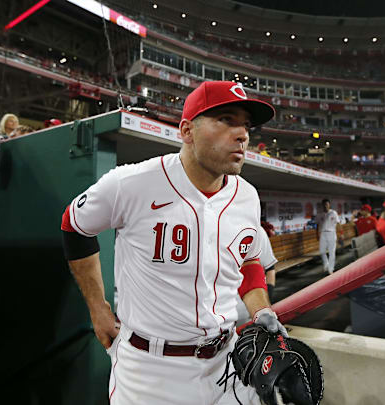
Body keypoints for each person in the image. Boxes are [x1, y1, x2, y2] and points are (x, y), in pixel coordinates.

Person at [60, 81, 286, 404]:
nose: (243, 134)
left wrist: (261, 309)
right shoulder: (132, 183)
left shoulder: (247, 197)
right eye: (226, 120)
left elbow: (249, 259)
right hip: (149, 371)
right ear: (186, 131)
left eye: (246, 125)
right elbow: (74, 224)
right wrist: (97, 309)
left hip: (227, 362)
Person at [316, 198, 340, 274]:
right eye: (324, 204)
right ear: (322, 205)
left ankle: (331, 269)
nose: (325, 206)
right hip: (323, 233)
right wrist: (317, 234)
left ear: (329, 205)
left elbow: (338, 223)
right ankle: (326, 264)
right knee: (322, 251)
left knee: (331, 252)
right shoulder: (319, 214)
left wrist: (341, 234)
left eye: (326, 204)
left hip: (332, 233)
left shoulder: (333, 213)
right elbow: (317, 225)